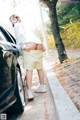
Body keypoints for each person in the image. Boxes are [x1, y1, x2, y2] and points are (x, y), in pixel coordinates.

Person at [9, 14, 47, 100]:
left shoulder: (17, 25)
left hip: (29, 45)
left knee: (29, 69)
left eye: (13, 19)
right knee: (39, 68)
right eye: (11, 20)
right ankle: (42, 86)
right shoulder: (25, 24)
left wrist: (22, 47)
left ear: (16, 19)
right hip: (38, 45)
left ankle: (29, 92)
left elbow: (20, 35)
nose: (12, 21)